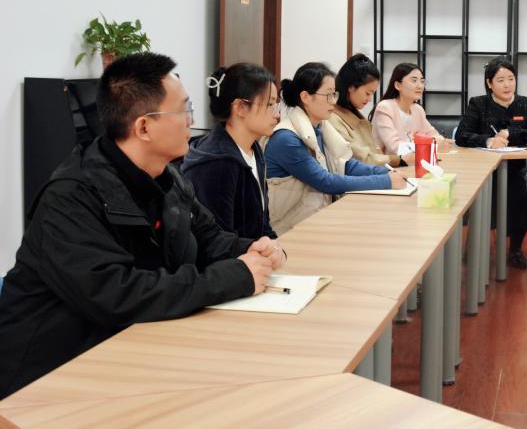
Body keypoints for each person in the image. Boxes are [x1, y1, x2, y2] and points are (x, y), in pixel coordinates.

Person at [0, 53, 284, 399]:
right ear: (144, 127)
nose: (192, 121)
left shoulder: (169, 178)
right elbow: (117, 294)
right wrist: (233, 277)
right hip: (47, 377)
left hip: (128, 353)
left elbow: (208, 237)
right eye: (183, 110)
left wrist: (251, 249)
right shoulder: (70, 198)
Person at [264, 62, 405, 234]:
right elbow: (325, 181)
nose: (333, 101)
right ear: (306, 97)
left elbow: (345, 165)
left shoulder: (319, 127)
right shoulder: (286, 138)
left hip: (316, 219)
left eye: (334, 94)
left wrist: (387, 173)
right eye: (328, 95)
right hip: (289, 231)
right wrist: (386, 181)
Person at [455, 56, 527, 269]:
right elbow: (462, 136)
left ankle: (515, 250)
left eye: (511, 79)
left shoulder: (525, 104)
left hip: (514, 170)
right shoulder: (478, 104)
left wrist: (509, 133)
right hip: (483, 171)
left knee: (519, 208)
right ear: (489, 83)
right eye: (501, 80)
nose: (507, 85)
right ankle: (474, 247)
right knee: (483, 208)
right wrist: (488, 140)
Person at [182, 63, 280, 239]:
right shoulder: (217, 163)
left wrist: (274, 245)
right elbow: (219, 240)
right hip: (234, 255)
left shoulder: (253, 149)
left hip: (253, 251)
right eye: (270, 104)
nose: (277, 114)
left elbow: (261, 224)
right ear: (240, 107)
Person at [329, 54, 413, 168]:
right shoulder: (333, 117)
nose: (369, 100)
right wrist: (400, 160)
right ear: (351, 87)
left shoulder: (417, 109)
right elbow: (360, 157)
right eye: (367, 93)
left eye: (422, 81)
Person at [371, 62, 451, 157]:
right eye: (414, 81)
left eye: (422, 81)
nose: (420, 86)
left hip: (412, 162)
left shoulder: (418, 110)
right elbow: (395, 147)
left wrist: (441, 141)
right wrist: (431, 145)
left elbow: (433, 134)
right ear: (398, 85)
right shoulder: (385, 107)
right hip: (386, 164)